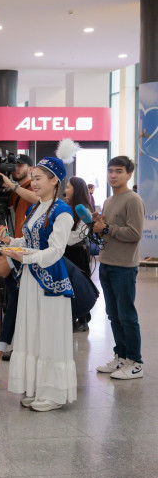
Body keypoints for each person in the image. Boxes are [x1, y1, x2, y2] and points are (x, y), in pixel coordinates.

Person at [0, 144, 78, 411]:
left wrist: (25, 257)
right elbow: (28, 240)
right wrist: (9, 240)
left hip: (50, 281)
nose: (34, 182)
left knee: (49, 334)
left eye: (39, 178)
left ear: (55, 181)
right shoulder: (36, 208)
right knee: (33, 332)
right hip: (31, 277)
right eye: (34, 177)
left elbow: (55, 251)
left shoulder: (62, 211)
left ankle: (52, 393)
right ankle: (37, 386)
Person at [0, 242, 97, 374]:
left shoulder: (23, 257)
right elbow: (13, 309)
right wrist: (0, 348)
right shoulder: (10, 270)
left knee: (48, 337)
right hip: (59, 298)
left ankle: (53, 379)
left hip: (78, 294)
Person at [93, 156, 146, 379]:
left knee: (127, 316)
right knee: (113, 315)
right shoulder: (109, 200)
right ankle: (121, 357)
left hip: (124, 266)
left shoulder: (133, 200)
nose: (113, 175)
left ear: (129, 174)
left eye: (119, 171)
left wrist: (107, 229)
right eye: (110, 171)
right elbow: (107, 230)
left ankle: (135, 362)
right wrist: (98, 225)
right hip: (106, 262)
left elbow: (135, 234)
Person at [63, 176, 94, 331]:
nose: (65, 190)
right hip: (67, 251)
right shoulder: (67, 207)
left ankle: (84, 319)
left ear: (77, 189)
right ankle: (72, 316)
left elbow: (76, 236)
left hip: (78, 251)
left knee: (80, 285)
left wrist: (59, 238)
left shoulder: (84, 210)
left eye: (68, 187)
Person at [0, 153, 38, 236]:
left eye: (20, 165)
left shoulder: (35, 186)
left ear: (30, 169)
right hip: (19, 241)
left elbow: (38, 198)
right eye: (13, 165)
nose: (15, 168)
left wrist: (11, 185)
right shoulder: (15, 190)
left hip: (32, 241)